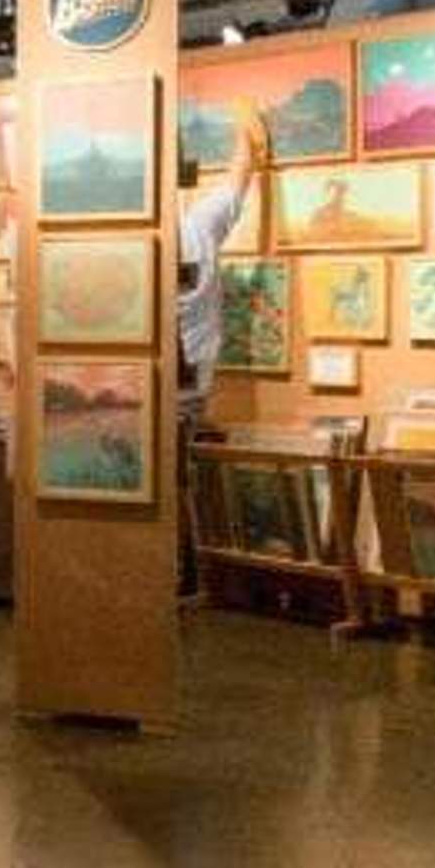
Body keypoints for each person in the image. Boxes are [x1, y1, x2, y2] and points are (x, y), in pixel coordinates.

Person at [176, 103, 269, 593]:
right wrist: (246, 131)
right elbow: (237, 179)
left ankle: (176, 572)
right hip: (191, 381)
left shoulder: (132, 244)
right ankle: (189, 574)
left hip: (148, 385)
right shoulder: (197, 229)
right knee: (184, 479)